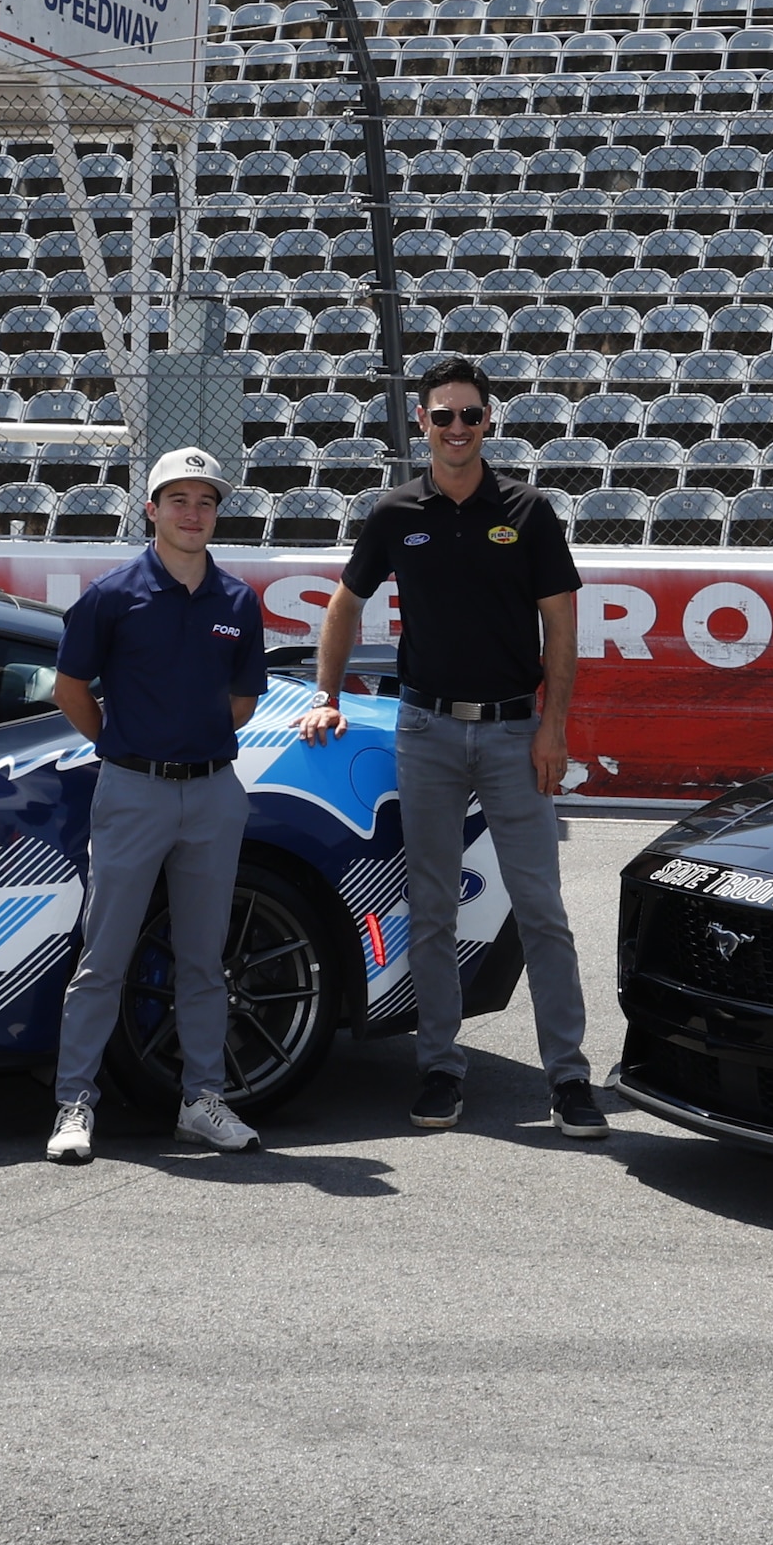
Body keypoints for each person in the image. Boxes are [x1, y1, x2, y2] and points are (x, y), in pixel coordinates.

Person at [295, 353, 595, 1137]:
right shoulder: (395, 511)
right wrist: (325, 695)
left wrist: (553, 727)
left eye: (470, 414)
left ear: (489, 421)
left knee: (541, 910)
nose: (456, 427)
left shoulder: (529, 511)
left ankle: (568, 1078)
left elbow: (560, 627)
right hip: (423, 729)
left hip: (510, 732)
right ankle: (438, 1067)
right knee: (429, 908)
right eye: (442, 415)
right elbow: (343, 603)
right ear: (422, 423)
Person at [43, 446, 273, 1167]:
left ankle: (201, 1100)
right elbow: (71, 689)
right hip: (131, 788)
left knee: (205, 961)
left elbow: (241, 702)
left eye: (205, 501)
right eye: (179, 499)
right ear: (151, 508)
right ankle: (74, 1102)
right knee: (104, 955)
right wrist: (127, 746)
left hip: (212, 792)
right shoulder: (112, 594)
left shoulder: (237, 601)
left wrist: (189, 747)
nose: (192, 513)